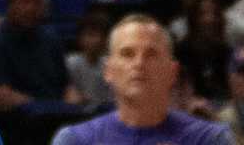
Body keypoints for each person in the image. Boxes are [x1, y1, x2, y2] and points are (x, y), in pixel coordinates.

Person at [49, 16, 228, 145]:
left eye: (151, 54)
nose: (139, 63)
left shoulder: (210, 139)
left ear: (172, 72)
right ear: (108, 70)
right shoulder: (74, 140)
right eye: (127, 54)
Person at [0, 0, 74, 113]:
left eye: (37, 3)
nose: (31, 8)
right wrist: (47, 109)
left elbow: (67, 87)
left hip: (57, 116)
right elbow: (2, 96)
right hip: (19, 122)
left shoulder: (51, 39)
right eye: (25, 2)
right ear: (10, 5)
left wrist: (77, 108)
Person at [69, 9, 116, 108]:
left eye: (101, 36)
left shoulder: (112, 65)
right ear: (80, 38)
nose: (96, 40)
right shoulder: (71, 63)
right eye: (90, 35)